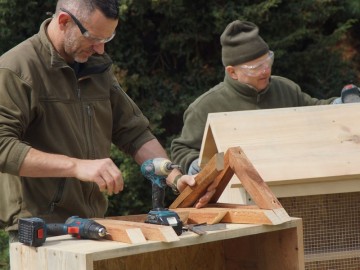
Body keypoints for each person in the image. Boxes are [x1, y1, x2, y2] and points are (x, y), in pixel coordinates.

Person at [0, 0, 199, 241]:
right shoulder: (16, 70)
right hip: (43, 231)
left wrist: (174, 177)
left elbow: (135, 133)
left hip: (94, 224)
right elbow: (3, 147)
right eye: (94, 39)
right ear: (64, 22)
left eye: (107, 40)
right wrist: (76, 166)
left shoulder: (97, 68)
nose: (100, 50)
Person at [171, 20, 351, 199]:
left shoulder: (285, 88)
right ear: (232, 72)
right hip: (236, 199)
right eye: (255, 67)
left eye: (267, 61)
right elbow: (181, 149)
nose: (265, 71)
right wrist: (202, 166)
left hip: (290, 191)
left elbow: (315, 110)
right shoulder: (206, 106)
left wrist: (343, 104)